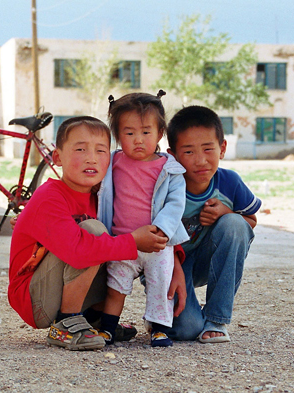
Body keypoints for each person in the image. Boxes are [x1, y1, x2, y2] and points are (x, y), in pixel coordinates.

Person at [8, 116, 168, 351]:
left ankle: (95, 321)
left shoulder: (102, 198)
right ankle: (66, 323)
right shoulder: (50, 195)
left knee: (109, 238)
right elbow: (78, 252)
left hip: (65, 286)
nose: (91, 158)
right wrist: (133, 241)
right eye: (80, 149)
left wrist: (172, 260)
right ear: (58, 157)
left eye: (101, 151)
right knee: (94, 232)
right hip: (36, 299)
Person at [96, 92, 189, 347]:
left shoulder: (170, 169)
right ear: (117, 135)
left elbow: (175, 204)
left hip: (158, 242)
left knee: (160, 287)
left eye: (146, 132)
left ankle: (158, 329)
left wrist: (162, 229)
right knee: (115, 287)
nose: (138, 140)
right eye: (129, 133)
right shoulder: (112, 162)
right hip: (122, 241)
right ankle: (108, 328)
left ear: (160, 133)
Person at [163, 105, 261, 343]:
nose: (200, 160)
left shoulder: (229, 182)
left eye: (208, 149)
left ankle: (217, 318)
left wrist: (226, 213)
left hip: (207, 260)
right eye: (188, 152)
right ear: (173, 155)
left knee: (235, 223)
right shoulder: (165, 186)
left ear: (222, 148)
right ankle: (161, 316)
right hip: (169, 264)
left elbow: (250, 222)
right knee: (186, 330)